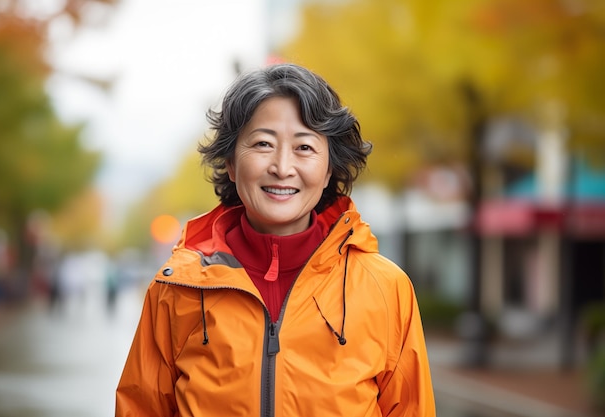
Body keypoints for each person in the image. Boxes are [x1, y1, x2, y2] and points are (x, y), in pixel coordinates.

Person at [116, 63, 436, 416]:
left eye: (304, 147)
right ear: (232, 163)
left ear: (329, 168)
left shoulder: (385, 288)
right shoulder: (177, 289)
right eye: (263, 143)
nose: (283, 167)